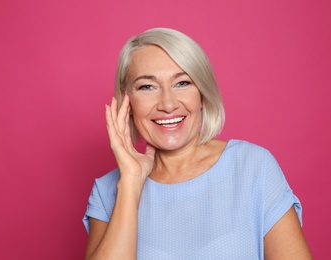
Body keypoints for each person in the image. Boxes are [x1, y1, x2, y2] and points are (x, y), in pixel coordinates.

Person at [83, 28, 312, 259]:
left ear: (202, 93)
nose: (168, 104)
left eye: (182, 83)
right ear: (127, 101)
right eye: (147, 87)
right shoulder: (107, 192)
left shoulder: (254, 167)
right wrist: (131, 183)